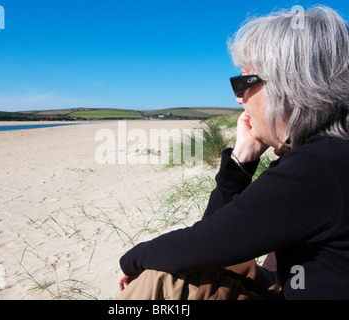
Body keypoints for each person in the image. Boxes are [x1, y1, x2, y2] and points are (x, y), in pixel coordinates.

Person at [116, 5, 349, 300]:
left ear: (289, 85)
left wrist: (131, 259)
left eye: (242, 82)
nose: (238, 98)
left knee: (162, 279)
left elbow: (201, 247)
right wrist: (242, 160)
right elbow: (216, 241)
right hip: (295, 283)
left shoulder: (314, 170)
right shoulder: (331, 155)